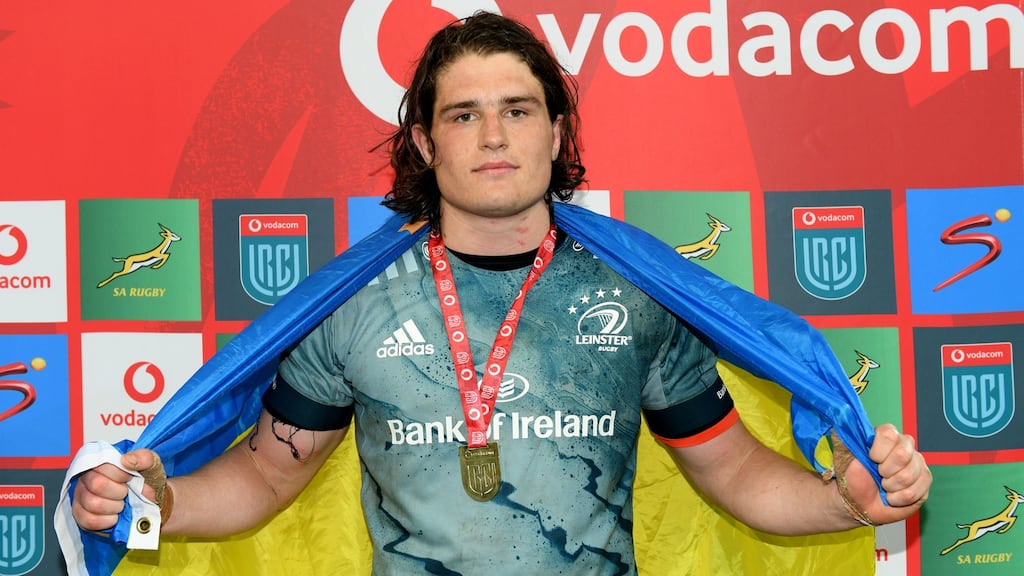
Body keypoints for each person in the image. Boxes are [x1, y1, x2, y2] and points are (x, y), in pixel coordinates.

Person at [70, 11, 931, 575]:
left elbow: (735, 471)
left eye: (519, 111)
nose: (492, 135)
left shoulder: (636, 298)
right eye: (463, 113)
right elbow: (261, 479)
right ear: (424, 139)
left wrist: (839, 501)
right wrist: (156, 500)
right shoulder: (354, 306)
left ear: (558, 134)